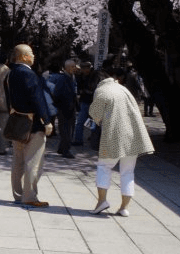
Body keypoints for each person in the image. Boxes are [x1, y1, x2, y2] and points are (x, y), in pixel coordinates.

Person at [89, 59, 154, 216]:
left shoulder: (102, 91)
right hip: (132, 135)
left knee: (104, 167)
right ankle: (124, 207)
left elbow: (94, 113)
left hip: (113, 135)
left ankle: (102, 201)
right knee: (128, 172)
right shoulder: (123, 90)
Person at [4, 44, 54, 207]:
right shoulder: (29, 74)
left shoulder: (10, 74)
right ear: (24, 56)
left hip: (17, 122)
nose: (34, 56)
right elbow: (38, 99)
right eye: (31, 53)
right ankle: (30, 196)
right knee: (33, 162)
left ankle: (18, 194)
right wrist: (46, 121)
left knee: (17, 161)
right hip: (33, 124)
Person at [47, 59, 79, 158]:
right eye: (73, 66)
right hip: (64, 108)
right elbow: (56, 94)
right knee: (66, 130)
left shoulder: (71, 77)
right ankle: (66, 150)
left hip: (70, 107)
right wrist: (62, 104)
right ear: (67, 68)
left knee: (69, 129)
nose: (75, 68)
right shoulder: (62, 78)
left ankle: (62, 148)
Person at [73, 61, 101, 145]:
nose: (85, 70)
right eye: (83, 68)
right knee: (80, 122)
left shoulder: (94, 75)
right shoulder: (80, 76)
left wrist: (84, 90)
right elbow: (79, 88)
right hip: (84, 101)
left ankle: (94, 139)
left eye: (86, 68)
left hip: (93, 101)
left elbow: (92, 88)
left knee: (93, 121)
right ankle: (78, 140)